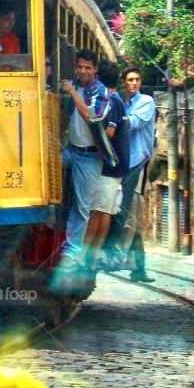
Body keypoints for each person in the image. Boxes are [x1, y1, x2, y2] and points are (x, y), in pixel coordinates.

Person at [53, 49, 108, 284]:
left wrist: (74, 92)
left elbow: (91, 116)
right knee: (43, 166)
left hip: (90, 157)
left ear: (95, 69)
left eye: (88, 67)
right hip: (71, 150)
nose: (83, 71)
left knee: (82, 206)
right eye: (80, 67)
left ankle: (71, 253)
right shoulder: (73, 83)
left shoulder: (100, 91)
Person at [107, 67, 157, 281]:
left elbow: (131, 124)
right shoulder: (122, 101)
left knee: (123, 210)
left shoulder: (145, 102)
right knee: (131, 215)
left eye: (137, 79)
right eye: (130, 80)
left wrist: (112, 118)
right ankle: (139, 268)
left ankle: (113, 255)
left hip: (135, 164)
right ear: (124, 82)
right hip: (123, 162)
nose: (134, 83)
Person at [86, 61, 131, 273]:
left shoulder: (111, 101)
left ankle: (89, 255)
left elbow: (109, 134)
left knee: (99, 211)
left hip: (110, 166)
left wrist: (91, 139)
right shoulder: (119, 100)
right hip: (119, 167)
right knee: (106, 211)